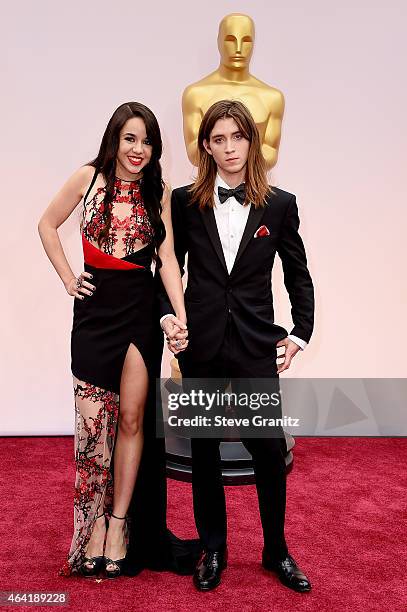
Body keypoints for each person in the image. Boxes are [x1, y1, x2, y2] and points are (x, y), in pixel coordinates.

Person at [158, 100, 315, 592]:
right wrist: (169, 318)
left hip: (253, 344)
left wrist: (300, 333)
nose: (229, 148)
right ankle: (214, 549)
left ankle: (276, 550)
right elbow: (168, 269)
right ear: (205, 145)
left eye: (237, 137)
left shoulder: (281, 204)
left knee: (268, 449)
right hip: (199, 343)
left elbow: (297, 274)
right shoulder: (184, 202)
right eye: (218, 139)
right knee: (204, 451)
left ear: (252, 141)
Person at [38, 101, 196, 578]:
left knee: (131, 421)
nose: (139, 149)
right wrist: (69, 278)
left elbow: (167, 259)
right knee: (92, 434)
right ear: (114, 140)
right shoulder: (86, 178)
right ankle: (87, 530)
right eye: (130, 138)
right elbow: (47, 225)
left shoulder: (159, 191)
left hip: (140, 315)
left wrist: (180, 318)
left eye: (147, 141)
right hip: (94, 316)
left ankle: (118, 526)